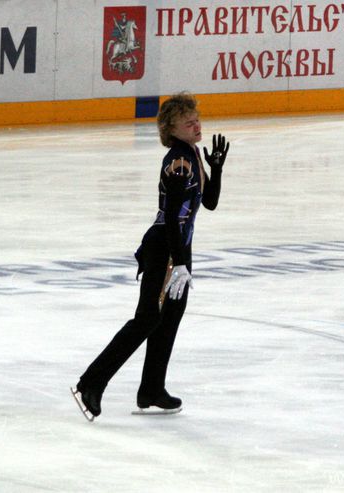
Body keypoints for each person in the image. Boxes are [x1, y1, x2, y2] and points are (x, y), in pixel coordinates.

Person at [71, 92, 229, 421]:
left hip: (178, 248)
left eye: (197, 119)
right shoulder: (179, 162)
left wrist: (216, 168)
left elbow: (209, 203)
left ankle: (152, 389)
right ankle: (91, 382)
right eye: (189, 122)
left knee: (170, 316)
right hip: (165, 249)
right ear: (172, 129)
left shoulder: (192, 154)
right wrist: (179, 262)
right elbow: (170, 216)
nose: (197, 125)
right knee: (147, 319)